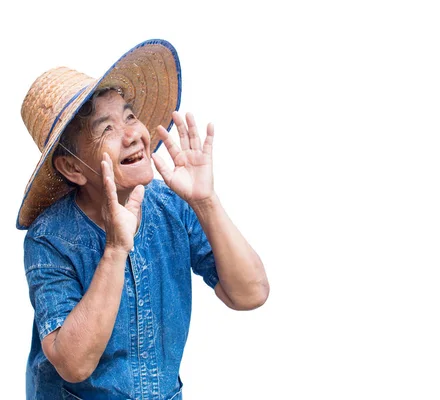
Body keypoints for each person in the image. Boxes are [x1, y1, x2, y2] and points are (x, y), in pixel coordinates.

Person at [16, 39, 269, 400]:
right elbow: (72, 364)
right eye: (106, 128)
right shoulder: (51, 237)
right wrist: (116, 248)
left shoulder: (172, 206)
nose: (134, 134)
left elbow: (251, 293)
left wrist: (206, 202)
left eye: (131, 116)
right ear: (72, 167)